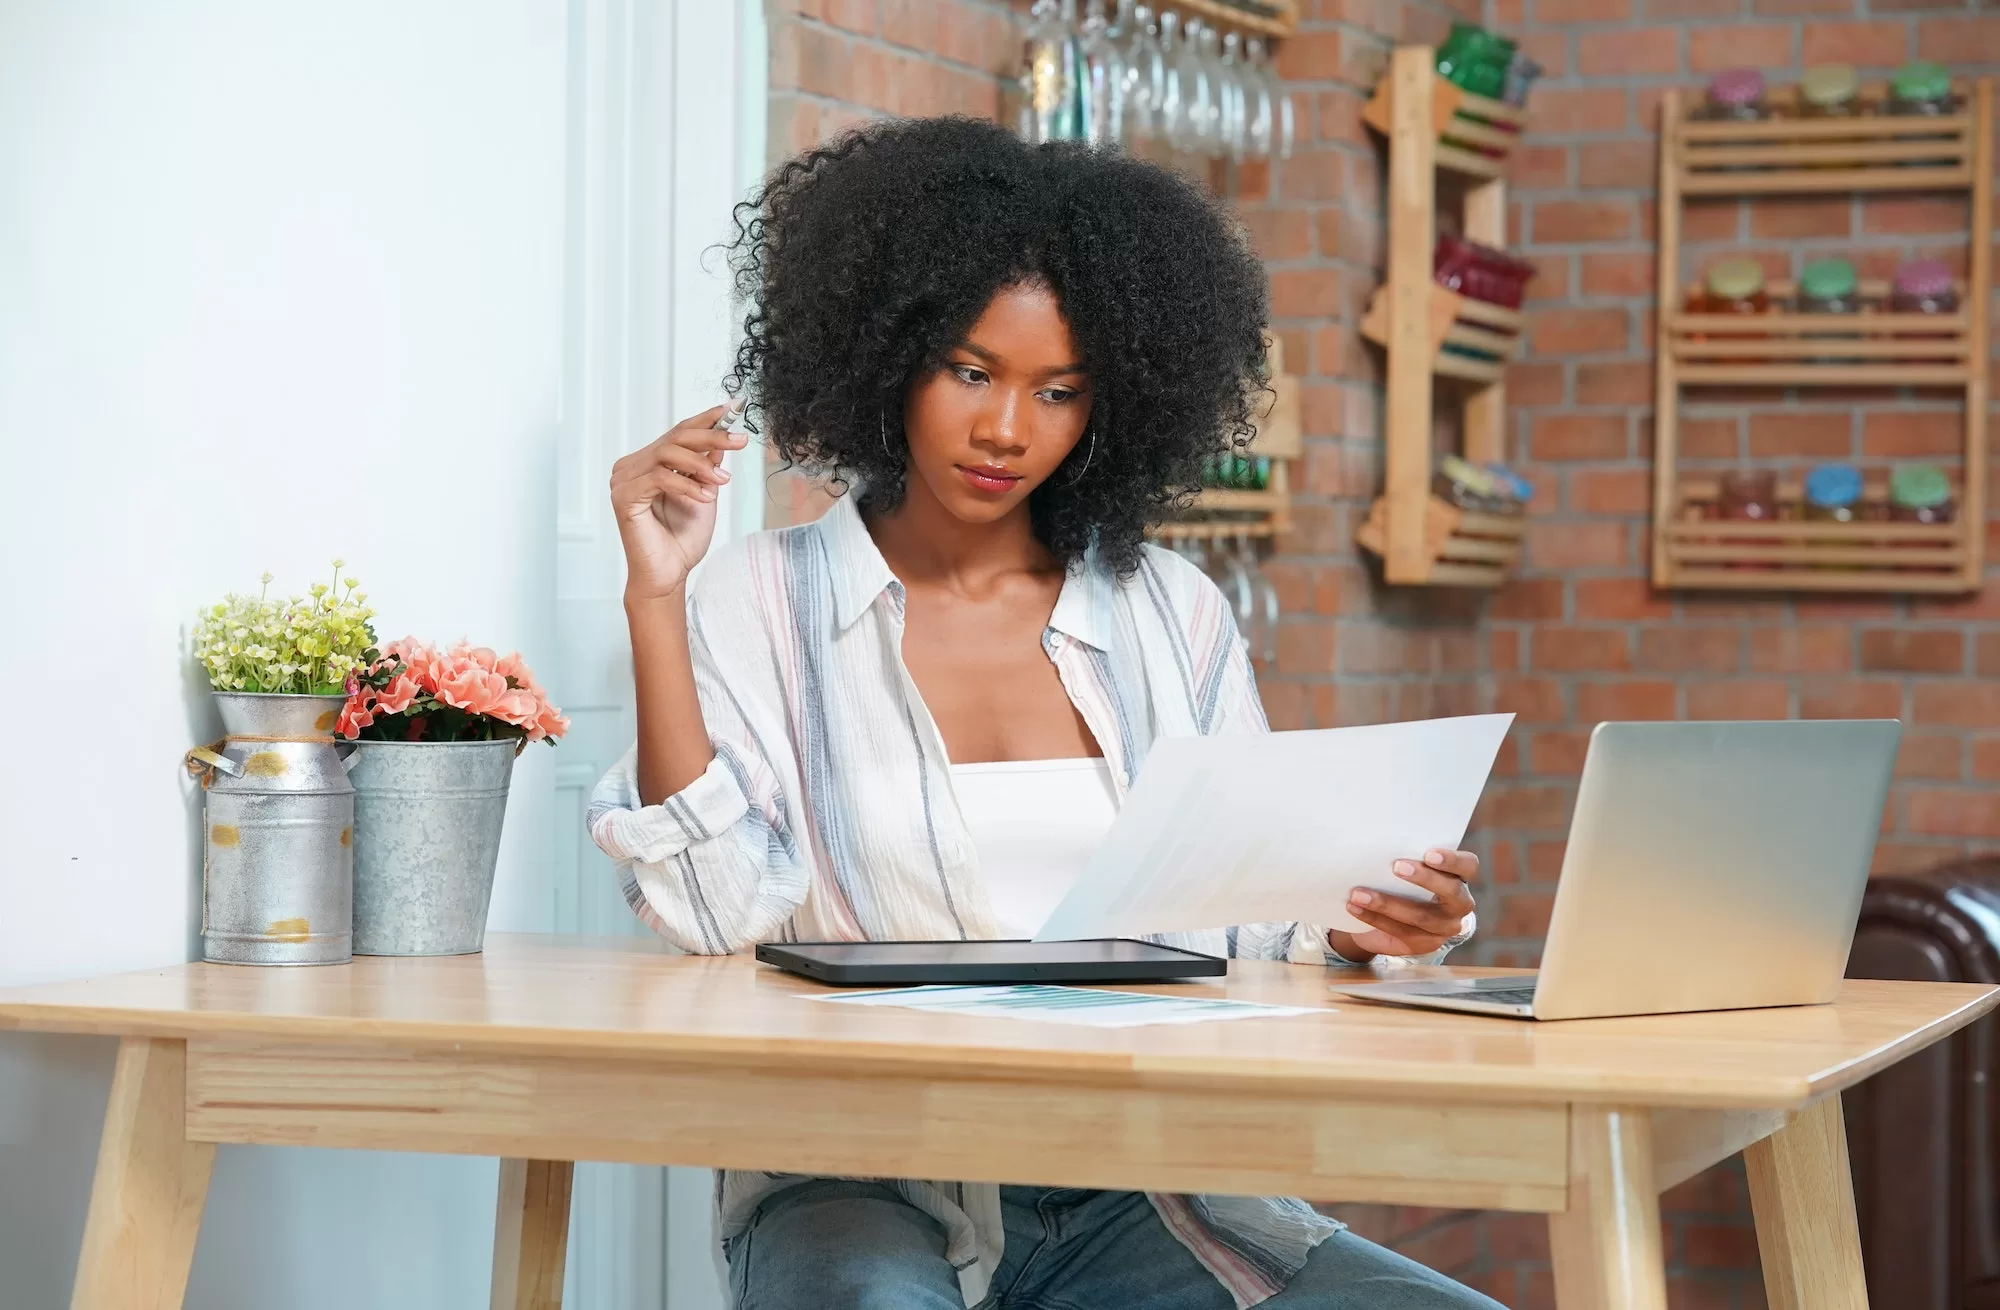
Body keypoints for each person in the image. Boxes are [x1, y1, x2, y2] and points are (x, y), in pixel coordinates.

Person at [588, 116, 1494, 1310]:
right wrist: (657, 598)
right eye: (971, 371)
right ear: (885, 356)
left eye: (1058, 390)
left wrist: (1363, 925)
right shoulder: (757, 598)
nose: (1008, 428)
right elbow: (706, 911)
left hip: (1144, 1187)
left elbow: (1252, 916)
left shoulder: (1171, 610)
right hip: (861, 1179)